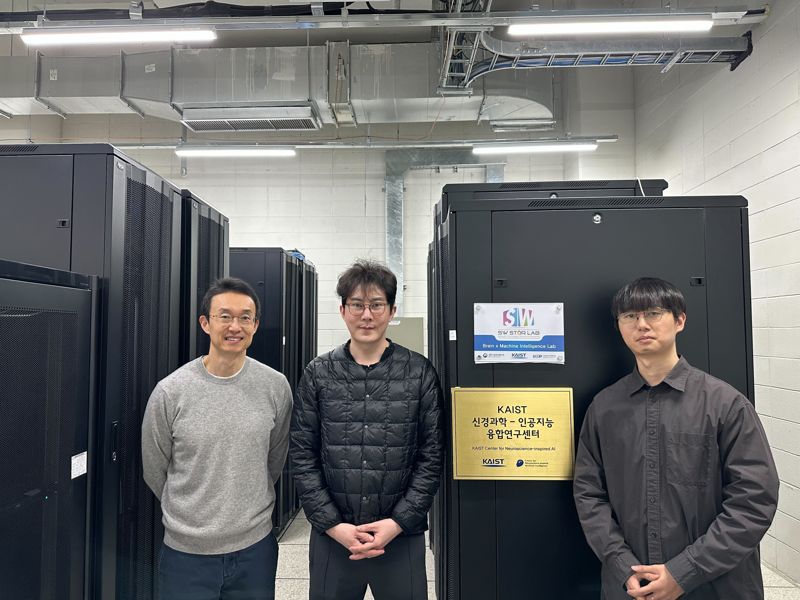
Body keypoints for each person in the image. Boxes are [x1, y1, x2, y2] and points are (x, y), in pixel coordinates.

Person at [573, 277, 779, 600]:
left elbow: (754, 499)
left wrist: (684, 571)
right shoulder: (604, 409)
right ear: (619, 327)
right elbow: (588, 494)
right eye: (630, 316)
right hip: (630, 587)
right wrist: (623, 565)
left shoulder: (726, 404)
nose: (641, 324)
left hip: (715, 586)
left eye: (653, 313)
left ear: (679, 320)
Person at [290, 260, 443, 600]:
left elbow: (431, 457)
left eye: (376, 305)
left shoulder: (419, 372)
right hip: (334, 537)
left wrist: (398, 522)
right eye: (357, 305)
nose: (367, 316)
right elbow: (302, 455)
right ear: (343, 310)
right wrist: (333, 524)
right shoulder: (318, 373)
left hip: (399, 536)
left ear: (392, 311)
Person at [142, 277, 292, 600]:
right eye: (224, 316)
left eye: (245, 317)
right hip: (187, 554)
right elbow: (155, 469)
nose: (235, 326)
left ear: (255, 325)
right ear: (205, 323)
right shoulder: (171, 392)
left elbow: (274, 459)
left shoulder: (276, 387)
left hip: (255, 550)